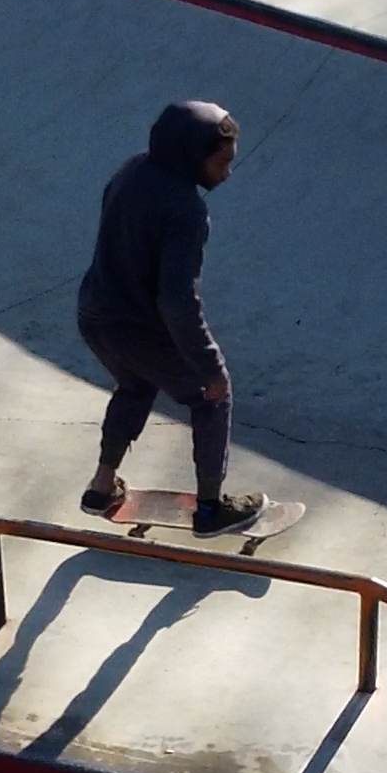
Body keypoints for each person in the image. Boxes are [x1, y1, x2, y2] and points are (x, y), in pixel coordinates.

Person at [75, 100, 269, 537]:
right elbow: (178, 302)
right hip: (135, 328)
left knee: (136, 384)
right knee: (212, 396)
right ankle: (210, 509)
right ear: (192, 155)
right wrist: (210, 366)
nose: (227, 172)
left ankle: (101, 486)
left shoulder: (130, 172)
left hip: (93, 315)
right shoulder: (186, 210)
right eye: (222, 162)